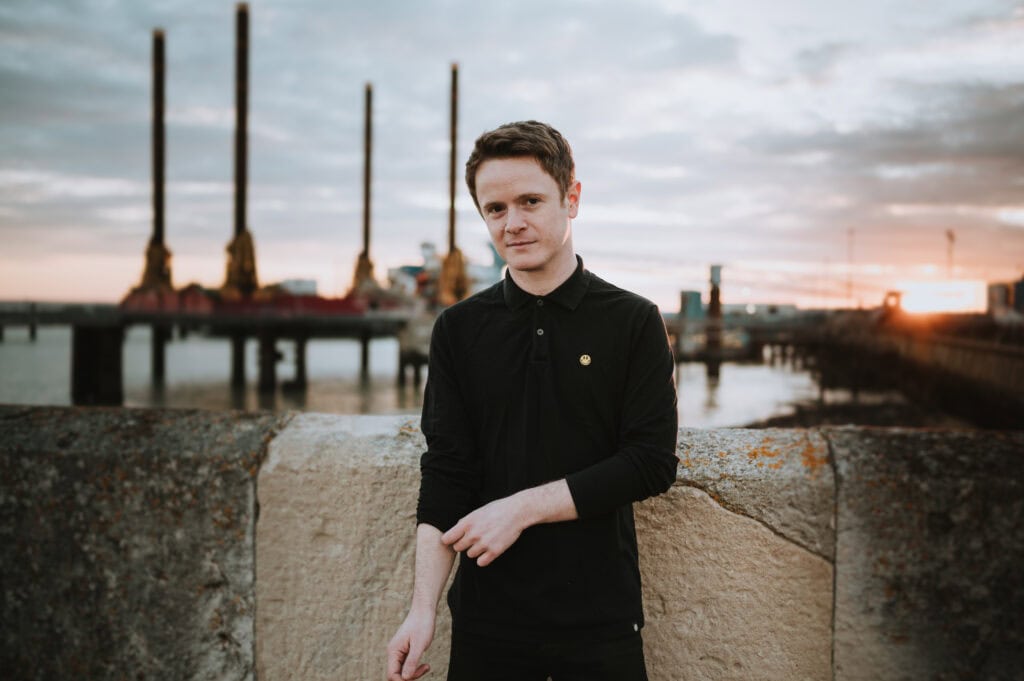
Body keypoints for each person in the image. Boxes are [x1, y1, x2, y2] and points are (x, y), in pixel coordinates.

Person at [386, 120, 678, 681]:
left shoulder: (633, 321)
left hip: (601, 627)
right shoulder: (458, 329)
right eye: (495, 209)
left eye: (530, 201)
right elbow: (447, 473)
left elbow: (650, 462)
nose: (513, 223)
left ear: (572, 199)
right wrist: (421, 611)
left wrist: (518, 510)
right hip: (486, 629)